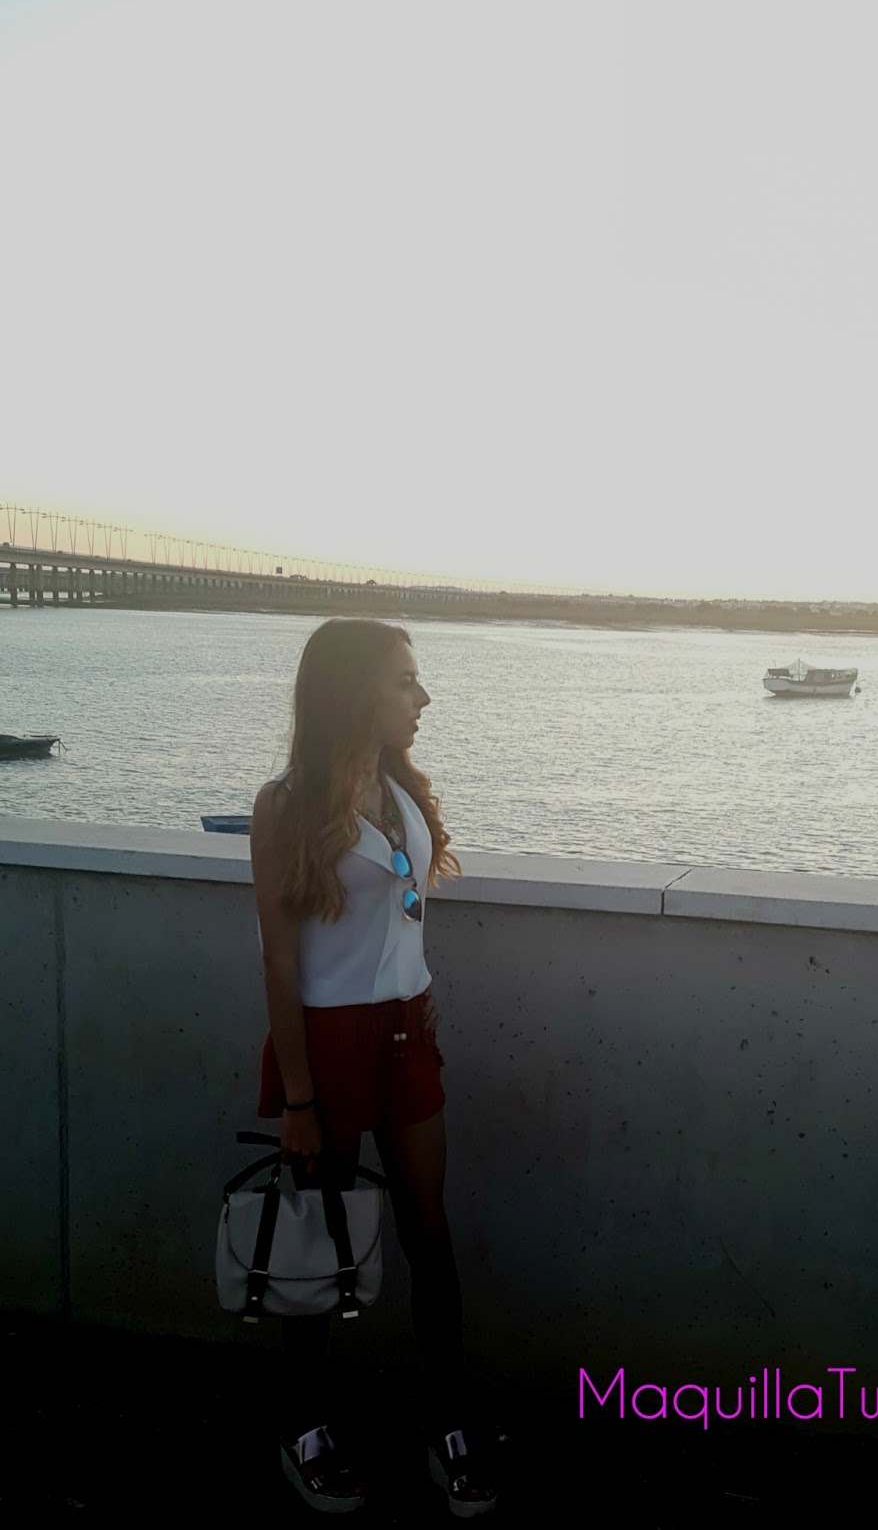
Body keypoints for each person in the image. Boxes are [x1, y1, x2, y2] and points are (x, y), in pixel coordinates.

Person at [250, 616, 498, 1516]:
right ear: (354, 691)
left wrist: (413, 997)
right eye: (404, 680)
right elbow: (281, 963)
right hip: (327, 1042)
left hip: (405, 1034)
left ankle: (448, 1425)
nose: (422, 697)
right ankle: (305, 1430)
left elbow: (401, 913)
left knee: (428, 1232)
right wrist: (300, 1099)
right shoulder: (284, 805)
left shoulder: (399, 788)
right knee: (318, 1241)